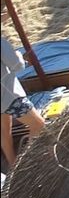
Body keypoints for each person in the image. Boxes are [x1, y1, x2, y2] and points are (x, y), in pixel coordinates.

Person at [1, 35, 45, 167]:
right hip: (10, 96)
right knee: (39, 125)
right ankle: (26, 164)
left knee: (4, 132)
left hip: (4, 99)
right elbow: (17, 65)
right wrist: (19, 55)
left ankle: (13, 166)